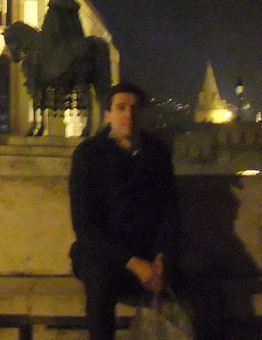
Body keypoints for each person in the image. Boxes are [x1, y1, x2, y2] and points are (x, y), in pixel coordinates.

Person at [69, 83, 180, 340]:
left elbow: (170, 212)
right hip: (108, 256)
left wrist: (162, 256)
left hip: (151, 254)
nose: (128, 114)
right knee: (99, 284)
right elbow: (86, 227)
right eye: (121, 108)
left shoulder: (158, 153)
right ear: (107, 114)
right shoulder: (88, 156)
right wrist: (135, 264)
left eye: (135, 108)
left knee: (203, 273)